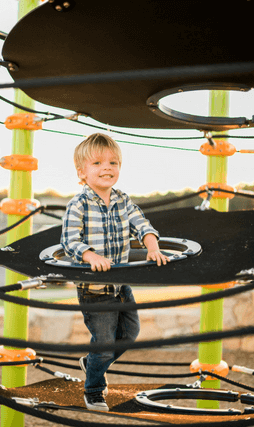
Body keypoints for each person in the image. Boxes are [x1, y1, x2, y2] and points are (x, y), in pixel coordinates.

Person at [61, 133, 169, 412]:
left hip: (121, 285)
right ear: (82, 172)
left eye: (113, 162)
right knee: (105, 344)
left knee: (130, 334)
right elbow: (69, 240)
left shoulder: (122, 200)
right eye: (97, 162)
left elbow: (141, 224)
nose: (107, 167)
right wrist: (90, 254)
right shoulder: (79, 204)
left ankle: (92, 362)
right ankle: (94, 390)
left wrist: (152, 246)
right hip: (94, 289)